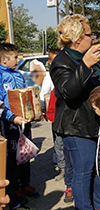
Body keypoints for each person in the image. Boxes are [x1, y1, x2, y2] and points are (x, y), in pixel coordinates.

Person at [50, 14, 100, 210]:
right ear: (78, 38)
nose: (93, 37)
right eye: (89, 34)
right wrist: (85, 65)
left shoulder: (88, 57)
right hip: (75, 126)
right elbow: (68, 92)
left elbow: (97, 83)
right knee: (83, 172)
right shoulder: (62, 61)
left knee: (96, 170)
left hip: (94, 122)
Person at [0, 43, 38, 210]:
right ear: (4, 59)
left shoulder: (19, 74)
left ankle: (25, 184)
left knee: (25, 152)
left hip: (24, 121)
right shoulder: (1, 76)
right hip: (9, 123)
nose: (18, 59)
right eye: (15, 57)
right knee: (11, 158)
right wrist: (12, 117)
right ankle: (13, 191)